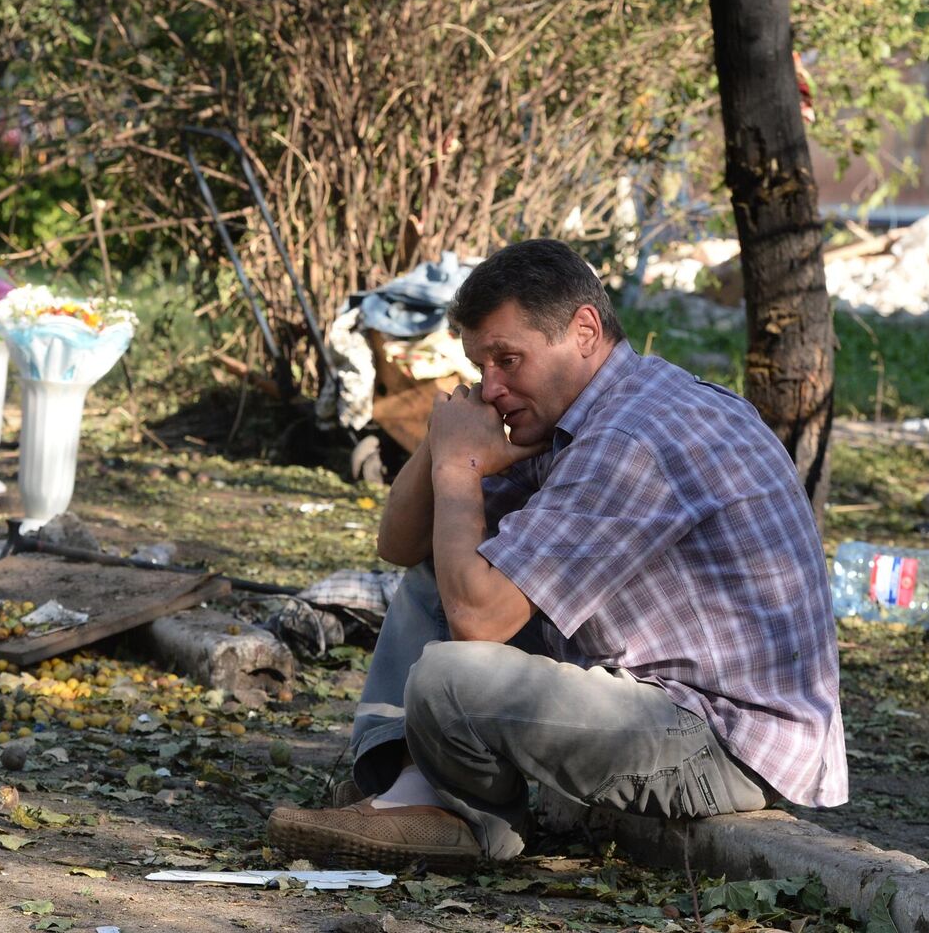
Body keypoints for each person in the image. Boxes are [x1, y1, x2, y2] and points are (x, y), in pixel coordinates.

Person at [267, 239, 846, 869]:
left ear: (585, 331)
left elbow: (477, 621)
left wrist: (460, 465)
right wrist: (441, 438)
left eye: (508, 360)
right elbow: (402, 546)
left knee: (449, 676)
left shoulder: (632, 436)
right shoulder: (584, 412)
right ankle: (410, 792)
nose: (491, 389)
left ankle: (465, 820)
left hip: (726, 739)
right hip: (659, 704)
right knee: (441, 571)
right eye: (480, 367)